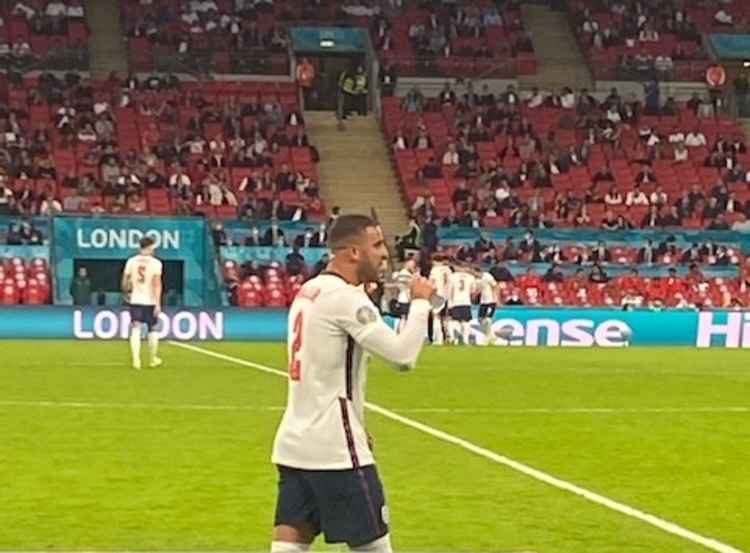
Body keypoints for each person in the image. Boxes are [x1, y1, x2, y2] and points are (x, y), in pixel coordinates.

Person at [270, 214, 434, 553]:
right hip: (335, 451)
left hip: (295, 444)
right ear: (351, 252)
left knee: (291, 543)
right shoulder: (345, 298)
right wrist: (420, 303)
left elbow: (328, 371)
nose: (384, 253)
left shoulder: (308, 290)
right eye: (375, 245)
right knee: (374, 546)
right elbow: (403, 356)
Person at [121, 236, 163, 370]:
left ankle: (136, 360)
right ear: (149, 247)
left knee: (135, 328)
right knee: (153, 328)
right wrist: (157, 303)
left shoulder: (131, 261)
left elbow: (125, 281)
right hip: (150, 300)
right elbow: (156, 284)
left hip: (136, 300)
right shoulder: (156, 263)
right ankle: (152, 359)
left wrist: (126, 293)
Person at [447, 262, 476, 345]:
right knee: (466, 321)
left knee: (454, 320)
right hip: (466, 302)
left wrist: (449, 302)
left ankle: (454, 339)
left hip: (455, 301)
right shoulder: (471, 277)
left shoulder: (452, 277)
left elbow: (450, 290)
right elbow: (473, 291)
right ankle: (465, 340)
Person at [427, 254, 452, 345]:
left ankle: (437, 339)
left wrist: (429, 294)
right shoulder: (448, 270)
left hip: (437, 294)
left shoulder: (435, 270)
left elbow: (432, 283)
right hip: (446, 296)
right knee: (445, 318)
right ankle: (448, 337)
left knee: (436, 316)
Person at [475, 267, 497, 345]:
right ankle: (492, 335)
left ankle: (487, 337)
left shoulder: (487, 276)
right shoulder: (476, 280)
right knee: (480, 319)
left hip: (490, 301)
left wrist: (495, 299)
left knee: (488, 319)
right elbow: (477, 290)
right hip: (483, 302)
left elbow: (495, 286)